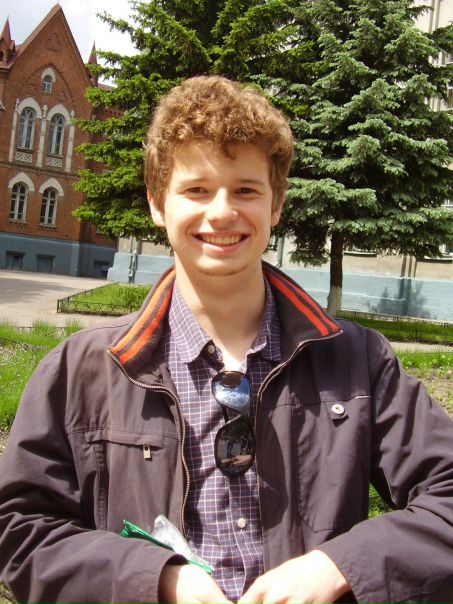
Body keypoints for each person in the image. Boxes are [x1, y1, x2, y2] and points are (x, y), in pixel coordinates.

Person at [1, 75, 453, 604]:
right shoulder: (83, 370)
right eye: (196, 190)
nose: (221, 212)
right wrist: (157, 579)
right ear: (157, 203)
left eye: (245, 190)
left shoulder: (358, 361)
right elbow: (21, 529)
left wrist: (339, 566)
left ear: (275, 206)